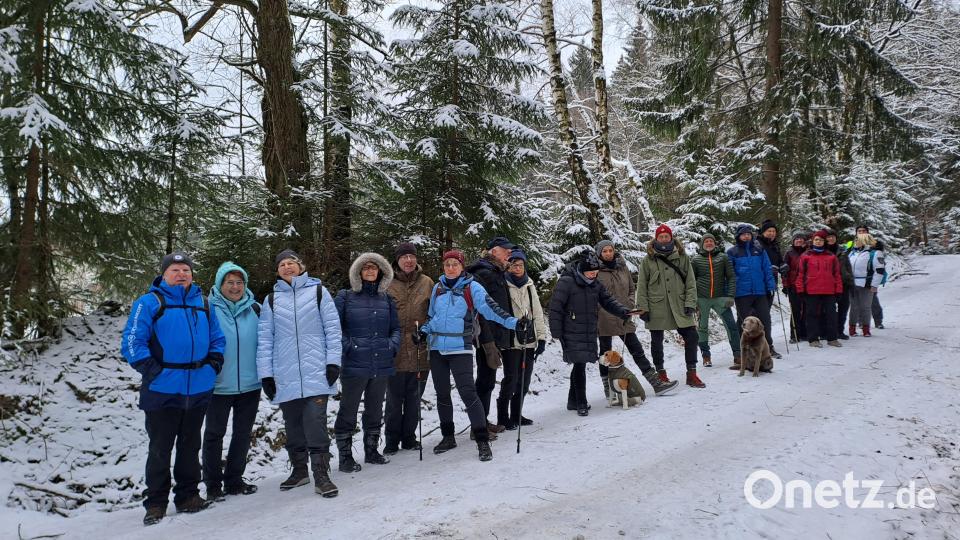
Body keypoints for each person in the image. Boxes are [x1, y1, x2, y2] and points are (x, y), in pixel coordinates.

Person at [121, 251, 226, 526]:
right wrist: (153, 370)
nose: (181, 274)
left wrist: (213, 364)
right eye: (175, 270)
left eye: (185, 270)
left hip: (199, 387)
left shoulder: (204, 303)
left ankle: (188, 496)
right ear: (164, 274)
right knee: (160, 448)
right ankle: (156, 503)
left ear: (192, 274)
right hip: (162, 390)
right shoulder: (149, 302)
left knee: (190, 446)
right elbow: (132, 342)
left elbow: (217, 337)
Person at [414, 249, 528, 461]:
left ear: (462, 266)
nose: (450, 268)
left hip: (460, 348)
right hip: (437, 349)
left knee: (468, 393)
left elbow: (491, 309)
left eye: (454, 264)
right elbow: (432, 317)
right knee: (442, 394)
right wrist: (423, 332)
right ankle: (448, 437)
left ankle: (482, 440)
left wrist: (515, 323)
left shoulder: (472, 287)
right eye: (447, 264)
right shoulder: (438, 288)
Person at [256, 249, 340, 498]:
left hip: (317, 371)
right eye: (282, 264)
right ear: (277, 270)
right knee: (293, 425)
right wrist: (266, 375)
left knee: (315, 423)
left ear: (301, 267)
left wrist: (333, 362)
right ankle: (300, 471)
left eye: (291, 263)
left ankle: (322, 475)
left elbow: (333, 329)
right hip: (286, 374)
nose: (287, 267)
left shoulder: (318, 292)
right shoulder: (271, 300)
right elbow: (265, 340)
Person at [333, 253, 401, 473]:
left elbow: (395, 328)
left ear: (381, 272)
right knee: (348, 410)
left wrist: (391, 345)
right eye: (366, 267)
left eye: (374, 267)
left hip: (381, 363)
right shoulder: (345, 296)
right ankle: (345, 457)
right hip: (355, 363)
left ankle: (371, 451)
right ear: (358, 272)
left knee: (375, 409)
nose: (370, 271)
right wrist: (349, 346)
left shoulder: (387, 299)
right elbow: (334, 328)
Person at [549, 252, 636, 416]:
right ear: (582, 270)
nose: (593, 275)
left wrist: (623, 312)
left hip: (588, 329)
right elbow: (556, 308)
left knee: (579, 363)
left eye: (596, 273)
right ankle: (581, 402)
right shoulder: (567, 282)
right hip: (570, 329)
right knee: (579, 363)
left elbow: (608, 301)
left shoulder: (595, 284)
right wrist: (556, 331)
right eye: (590, 273)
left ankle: (572, 401)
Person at [202, 262, 261, 502]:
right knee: (214, 434)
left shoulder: (256, 309)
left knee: (243, 433)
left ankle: (234, 480)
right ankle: (213, 485)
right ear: (220, 285)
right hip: (218, 385)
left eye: (239, 282)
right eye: (230, 283)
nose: (235, 287)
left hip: (250, 384)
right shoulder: (207, 309)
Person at [595, 240, 677, 397]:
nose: (608, 253)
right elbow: (593, 295)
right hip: (604, 318)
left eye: (610, 250)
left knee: (637, 350)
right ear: (599, 253)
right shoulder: (596, 270)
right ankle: (608, 389)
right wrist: (599, 310)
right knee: (605, 354)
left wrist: (630, 303)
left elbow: (632, 288)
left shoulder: (622, 266)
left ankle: (656, 383)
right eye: (604, 251)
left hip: (624, 315)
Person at [635, 224, 704, 388]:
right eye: (661, 236)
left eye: (667, 236)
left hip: (680, 304)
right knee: (656, 341)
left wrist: (690, 302)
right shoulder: (648, 260)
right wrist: (643, 308)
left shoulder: (682, 256)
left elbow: (690, 282)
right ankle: (661, 374)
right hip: (656, 306)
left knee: (692, 336)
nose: (664, 239)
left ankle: (692, 373)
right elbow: (642, 285)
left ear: (671, 237)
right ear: (656, 238)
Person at [384, 242, 434, 455]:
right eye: (404, 257)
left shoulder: (427, 282)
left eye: (411, 256)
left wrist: (426, 331)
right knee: (394, 399)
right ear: (397, 260)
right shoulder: (387, 283)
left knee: (414, 398)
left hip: (419, 348)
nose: (408, 260)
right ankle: (391, 440)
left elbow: (434, 313)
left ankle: (409, 438)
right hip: (394, 351)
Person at [466, 237, 516, 437]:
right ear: (494, 251)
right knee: (484, 381)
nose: (509, 254)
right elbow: (480, 310)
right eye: (506, 250)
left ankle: (483, 421)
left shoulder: (496, 272)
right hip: (485, 338)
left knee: (488, 379)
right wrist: (487, 341)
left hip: (495, 336)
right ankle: (478, 426)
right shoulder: (482, 274)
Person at [501, 249, 548, 429]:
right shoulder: (503, 284)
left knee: (524, 380)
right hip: (511, 339)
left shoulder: (529, 285)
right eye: (514, 265)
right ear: (508, 266)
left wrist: (541, 338)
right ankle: (503, 416)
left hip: (528, 338)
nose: (518, 268)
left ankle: (516, 414)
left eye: (520, 265)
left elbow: (537, 313)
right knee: (511, 379)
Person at [727, 224, 778, 356]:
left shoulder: (759, 250)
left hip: (760, 291)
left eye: (748, 234)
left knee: (764, 320)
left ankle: (767, 347)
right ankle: (744, 349)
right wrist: (730, 291)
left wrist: (770, 285)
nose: (746, 236)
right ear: (738, 236)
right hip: (742, 293)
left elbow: (766, 268)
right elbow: (729, 274)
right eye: (743, 234)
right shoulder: (732, 252)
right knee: (744, 322)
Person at [690, 233, 741, 368]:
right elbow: (690, 281)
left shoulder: (723, 257)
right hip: (702, 299)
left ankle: (737, 355)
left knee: (731, 325)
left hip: (720, 298)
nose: (709, 243)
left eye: (711, 241)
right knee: (702, 328)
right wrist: (693, 300)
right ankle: (706, 356)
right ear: (702, 244)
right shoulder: (696, 260)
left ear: (714, 243)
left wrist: (730, 296)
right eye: (706, 241)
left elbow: (731, 277)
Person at [795, 230, 843, 348]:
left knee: (831, 315)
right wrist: (800, 289)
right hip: (811, 290)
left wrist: (839, 290)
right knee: (812, 315)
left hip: (829, 290)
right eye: (816, 239)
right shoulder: (805, 256)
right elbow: (800, 274)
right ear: (812, 241)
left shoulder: (831, 256)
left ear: (824, 242)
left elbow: (837, 274)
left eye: (821, 240)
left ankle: (832, 338)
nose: (818, 242)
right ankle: (813, 339)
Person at [847, 233, 886, 337]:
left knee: (865, 307)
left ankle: (866, 329)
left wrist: (874, 285)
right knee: (854, 307)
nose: (856, 242)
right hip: (852, 284)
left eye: (859, 240)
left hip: (867, 284)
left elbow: (879, 271)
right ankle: (852, 328)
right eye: (856, 240)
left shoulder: (874, 253)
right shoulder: (852, 253)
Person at [825, 229, 854, 339]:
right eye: (828, 237)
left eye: (833, 236)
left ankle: (840, 331)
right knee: (829, 310)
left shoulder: (842, 250)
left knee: (843, 308)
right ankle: (829, 331)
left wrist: (851, 281)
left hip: (843, 283)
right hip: (828, 284)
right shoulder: (822, 251)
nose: (831, 239)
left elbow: (848, 266)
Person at [783, 232, 809, 343]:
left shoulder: (808, 252)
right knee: (795, 310)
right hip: (793, 285)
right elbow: (784, 271)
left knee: (806, 310)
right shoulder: (789, 253)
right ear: (793, 241)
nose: (799, 240)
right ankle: (794, 335)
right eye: (797, 239)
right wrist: (785, 285)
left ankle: (804, 333)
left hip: (807, 284)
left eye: (801, 239)